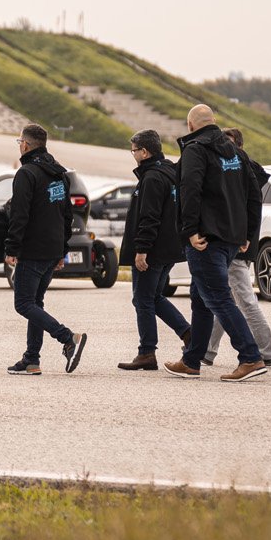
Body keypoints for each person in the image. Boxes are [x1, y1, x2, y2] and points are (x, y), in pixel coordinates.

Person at [163, 105, 268, 383]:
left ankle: (250, 357)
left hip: (205, 239)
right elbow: (254, 195)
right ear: (214, 122)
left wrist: (189, 231)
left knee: (218, 298)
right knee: (201, 298)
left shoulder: (195, 150)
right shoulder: (236, 153)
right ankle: (192, 360)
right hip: (232, 238)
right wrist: (247, 234)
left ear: (190, 125)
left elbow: (190, 190)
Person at [3, 124, 87, 376]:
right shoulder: (59, 173)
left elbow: (19, 215)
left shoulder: (26, 173)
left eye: (20, 142)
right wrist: (62, 250)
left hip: (33, 249)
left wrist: (11, 248)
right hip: (52, 250)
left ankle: (67, 337)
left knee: (23, 304)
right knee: (35, 304)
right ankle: (31, 359)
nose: (20, 146)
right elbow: (67, 215)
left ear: (26, 145)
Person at [203, 127, 271, 368]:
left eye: (230, 143)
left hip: (236, 247)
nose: (225, 148)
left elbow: (249, 212)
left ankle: (267, 351)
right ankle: (208, 350)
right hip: (234, 244)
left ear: (240, 146)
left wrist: (244, 240)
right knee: (222, 300)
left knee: (244, 300)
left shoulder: (244, 174)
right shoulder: (238, 172)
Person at [115, 129, 188, 372]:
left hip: (154, 249)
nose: (132, 154)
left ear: (144, 152)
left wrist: (141, 249)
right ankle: (188, 334)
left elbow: (149, 217)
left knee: (143, 299)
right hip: (169, 247)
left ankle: (147, 352)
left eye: (134, 150)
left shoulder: (152, 178)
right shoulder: (169, 172)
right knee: (154, 297)